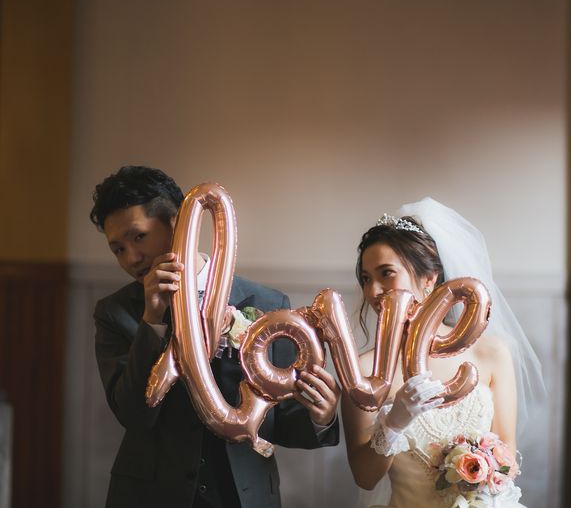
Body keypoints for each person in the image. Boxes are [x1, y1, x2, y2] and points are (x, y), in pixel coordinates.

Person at [90, 165, 340, 508]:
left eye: (139, 237)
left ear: (178, 223)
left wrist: (322, 416)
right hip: (152, 496)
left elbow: (283, 422)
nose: (131, 259)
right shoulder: (114, 312)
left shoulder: (268, 304)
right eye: (118, 249)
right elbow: (133, 416)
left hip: (245, 496)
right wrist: (152, 319)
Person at [341, 198, 544, 508]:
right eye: (366, 279)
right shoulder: (363, 371)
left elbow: (508, 456)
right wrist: (393, 423)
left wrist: (482, 479)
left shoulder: (492, 353)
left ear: (429, 277)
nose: (373, 291)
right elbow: (364, 477)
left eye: (386, 273)